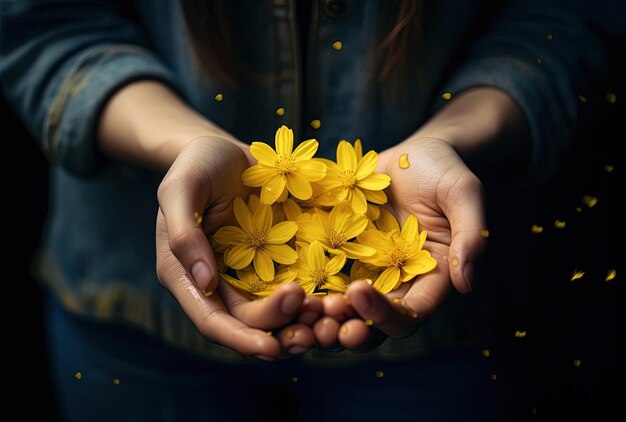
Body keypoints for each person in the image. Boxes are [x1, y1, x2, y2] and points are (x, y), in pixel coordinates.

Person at [0, 0, 606, 420]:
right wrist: (184, 147)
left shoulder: (349, 220)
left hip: (452, 339)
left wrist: (452, 136)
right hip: (130, 308)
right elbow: (45, 22)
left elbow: (566, 18)